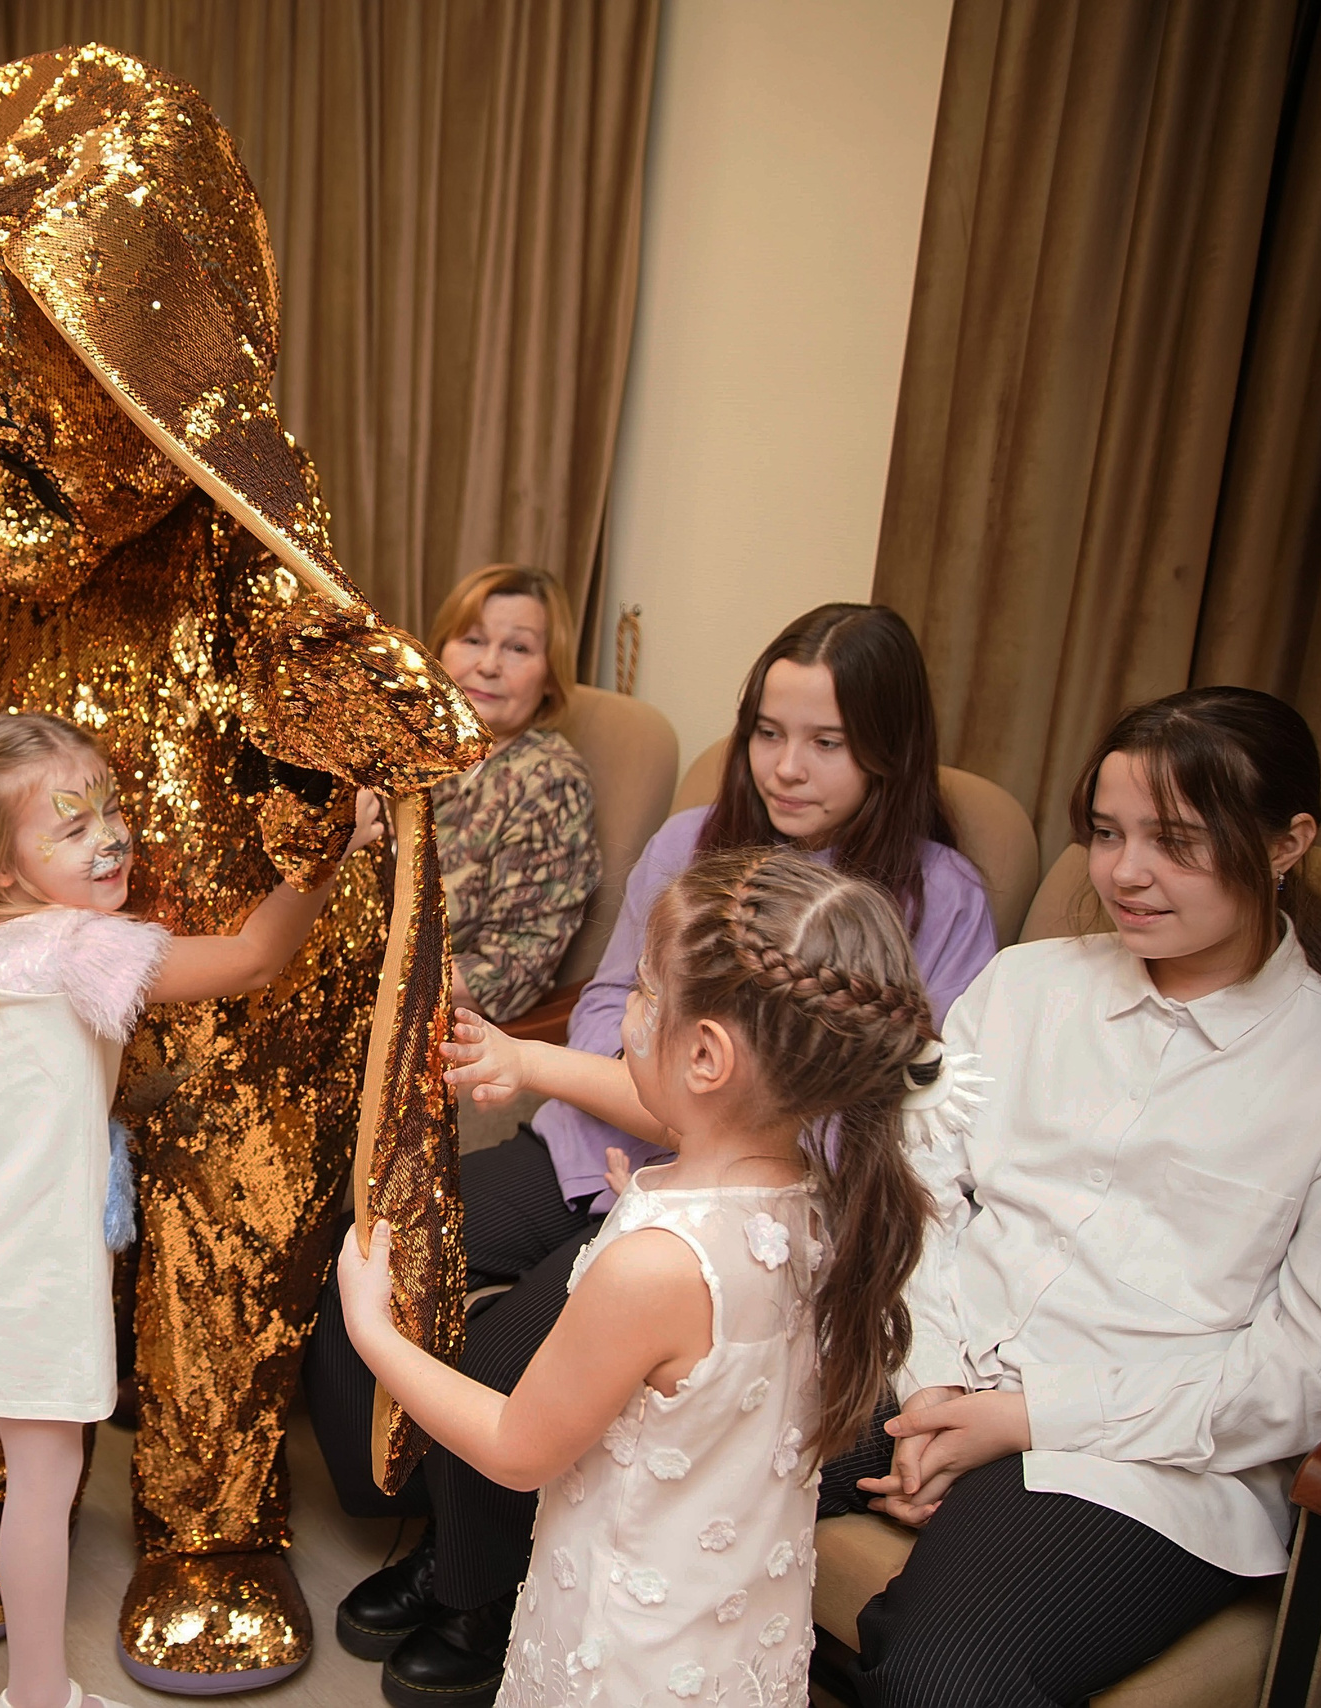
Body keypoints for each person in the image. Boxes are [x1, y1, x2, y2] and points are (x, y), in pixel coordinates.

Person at [302, 600, 995, 1706]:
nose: (785, 766)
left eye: (826, 741)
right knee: (385, 1245)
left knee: (510, 1362)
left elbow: (870, 1115)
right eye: (768, 732)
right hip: (623, 1154)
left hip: (710, 1187)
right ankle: (442, 1536)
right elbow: (615, 1008)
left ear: (890, 747)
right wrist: (632, 1121)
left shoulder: (937, 903)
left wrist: (614, 1117)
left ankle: (475, 1589)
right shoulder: (690, 842)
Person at [818, 686, 1321, 1706]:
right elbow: (909, 1180)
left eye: (1175, 840)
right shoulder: (1020, 981)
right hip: (922, 1354)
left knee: (943, 1678)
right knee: (663, 1454)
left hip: (1145, 1466)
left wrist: (1028, 1416)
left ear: (1285, 842)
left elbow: (1320, 1373)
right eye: (1105, 832)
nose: (1125, 873)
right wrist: (936, 1387)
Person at [0, 713, 385, 1708]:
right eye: (72, 826)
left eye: (113, 811)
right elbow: (255, 957)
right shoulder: (76, 949)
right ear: (3, 868)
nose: (112, 838)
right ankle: (40, 1695)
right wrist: (327, 851)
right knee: (42, 1489)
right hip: (29, 1268)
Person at [341, 846, 942, 1707]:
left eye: (645, 990)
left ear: (705, 1056)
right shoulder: (818, 1202)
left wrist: (376, 1333)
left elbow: (517, 1449)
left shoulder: (654, 1272)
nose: (628, 1011)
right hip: (732, 1631)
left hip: (627, 1650)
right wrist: (643, 1211)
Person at [425, 563, 600, 1020]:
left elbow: (509, 971)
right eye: (473, 639)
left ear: (549, 677)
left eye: (518, 648)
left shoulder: (550, 785)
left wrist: (365, 980)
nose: (487, 665)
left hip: (421, 1027)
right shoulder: (418, 747)